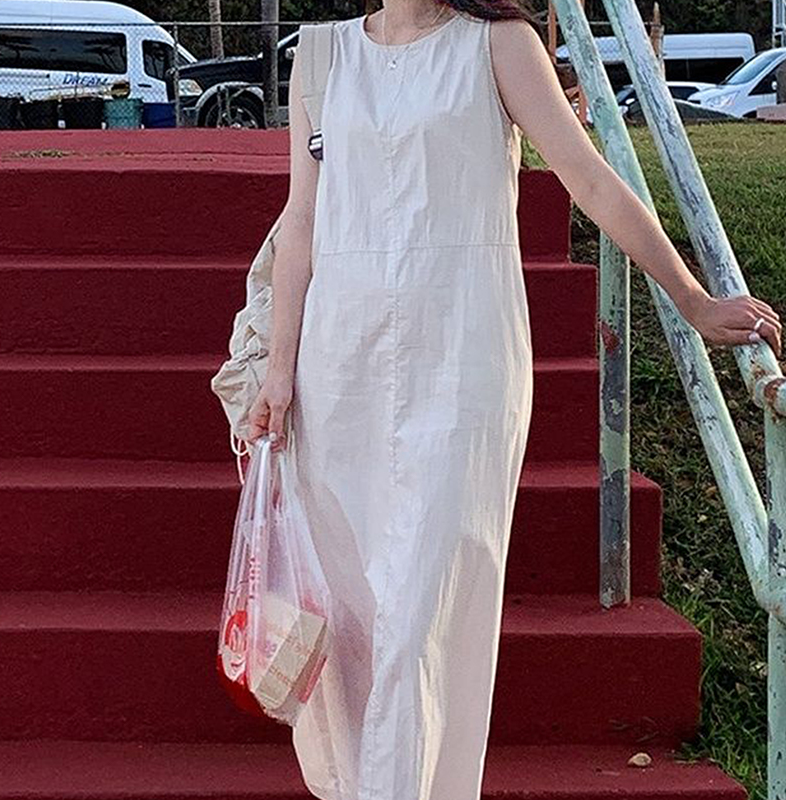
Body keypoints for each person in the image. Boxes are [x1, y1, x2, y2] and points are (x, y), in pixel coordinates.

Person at [246, 1, 782, 798]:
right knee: (358, 626)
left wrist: (693, 300)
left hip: (463, 362)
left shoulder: (499, 44)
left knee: (422, 613)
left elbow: (591, 179)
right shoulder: (321, 55)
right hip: (338, 367)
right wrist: (280, 370)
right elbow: (301, 221)